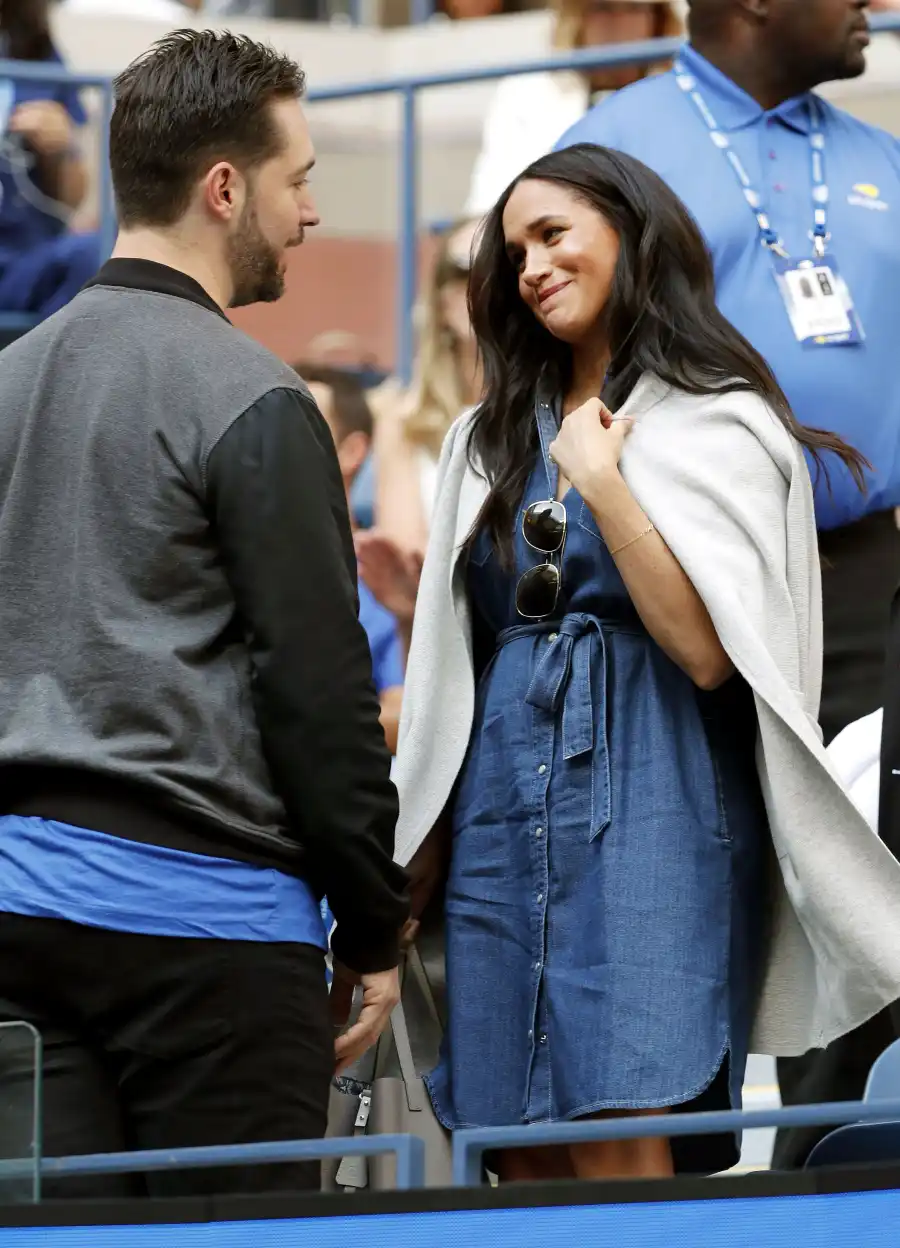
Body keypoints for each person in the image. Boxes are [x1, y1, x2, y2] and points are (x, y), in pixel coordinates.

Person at [391, 142, 900, 1183]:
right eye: (512, 251)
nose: (529, 266)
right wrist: (423, 838)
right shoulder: (480, 442)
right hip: (499, 808)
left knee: (624, 1119)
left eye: (553, 234)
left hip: (655, 801)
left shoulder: (724, 419)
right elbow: (457, 665)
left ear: (632, 233)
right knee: (507, 1132)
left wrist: (608, 487)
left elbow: (713, 658)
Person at [0, 30, 409, 1199]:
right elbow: (318, 688)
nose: (310, 213)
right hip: (211, 939)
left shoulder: (6, 383)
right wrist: (373, 930)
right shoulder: (255, 395)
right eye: (301, 180)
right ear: (225, 188)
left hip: (15, 916)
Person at [554, 0, 900, 1165]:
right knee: (690, 874)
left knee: (875, 870)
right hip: (688, 581)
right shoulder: (615, 143)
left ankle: (849, 1158)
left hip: (873, 572)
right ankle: (708, 1175)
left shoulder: (876, 156)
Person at [465, 0, 682, 218]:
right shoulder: (524, 93)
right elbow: (488, 203)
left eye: (634, 9)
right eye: (603, 8)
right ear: (576, 18)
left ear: (658, 18)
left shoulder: (684, 93)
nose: (620, 24)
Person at [296, 361, 406, 753]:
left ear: (352, 450)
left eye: (300, 421)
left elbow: (407, 718)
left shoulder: (384, 577)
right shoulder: (231, 557)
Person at [370, 217, 483, 558]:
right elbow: (408, 565)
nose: (486, 286)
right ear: (442, 301)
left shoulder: (560, 413)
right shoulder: (404, 421)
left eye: (504, 267)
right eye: (465, 271)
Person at [0, 0, 101, 320]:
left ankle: (45, 366)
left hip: (23, 262)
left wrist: (61, 146)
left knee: (94, 252)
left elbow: (73, 198)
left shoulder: (38, 52)